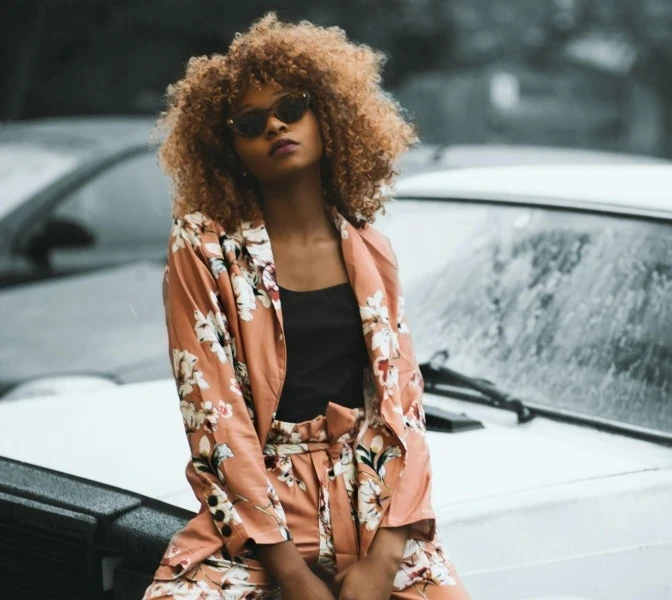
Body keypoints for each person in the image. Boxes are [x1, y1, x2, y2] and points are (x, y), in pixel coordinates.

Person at [142, 13, 468, 600]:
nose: (273, 125)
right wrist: (292, 574)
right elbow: (213, 416)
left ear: (328, 118)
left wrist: (383, 561)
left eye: (290, 108)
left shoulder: (371, 249)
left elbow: (404, 408)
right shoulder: (203, 247)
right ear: (230, 149)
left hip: (376, 509)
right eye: (248, 122)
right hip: (262, 515)